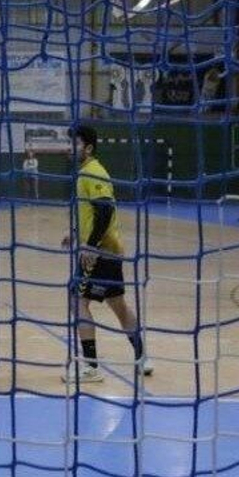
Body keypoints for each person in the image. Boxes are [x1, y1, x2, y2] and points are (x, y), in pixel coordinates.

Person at [61, 124, 150, 383]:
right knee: (118, 305)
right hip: (109, 251)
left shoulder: (92, 172)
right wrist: (77, 233)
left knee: (77, 302)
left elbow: (104, 210)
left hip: (100, 252)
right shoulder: (86, 173)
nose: (70, 148)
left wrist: (90, 245)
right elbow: (92, 212)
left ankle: (91, 367)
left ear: (88, 148)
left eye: (75, 143)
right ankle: (142, 357)